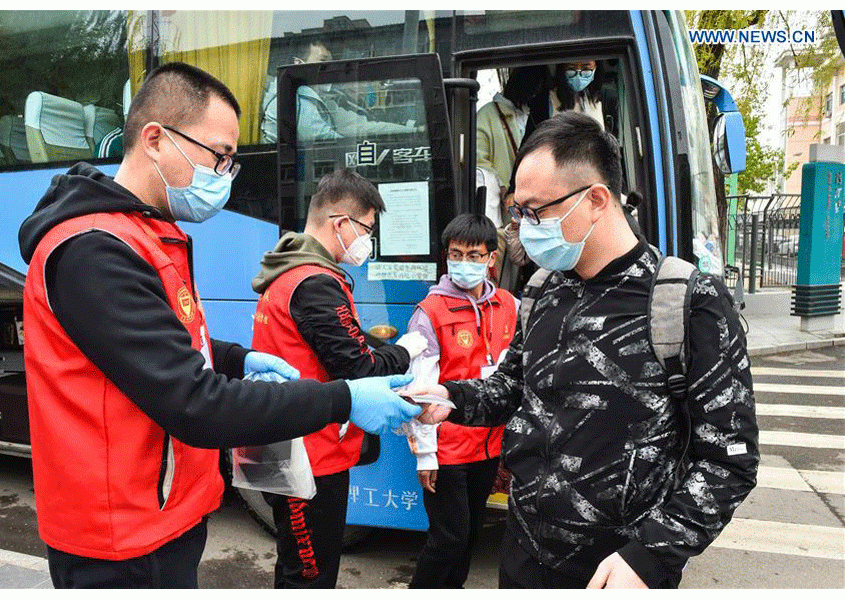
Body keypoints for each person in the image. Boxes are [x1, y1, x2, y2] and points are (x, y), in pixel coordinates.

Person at [17, 62, 420, 589]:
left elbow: (166, 344)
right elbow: (195, 403)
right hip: (119, 538)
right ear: (156, 140)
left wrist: (235, 358)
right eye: (220, 156)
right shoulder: (95, 250)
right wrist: (343, 399)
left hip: (162, 515)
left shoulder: (146, 234)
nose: (227, 174)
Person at [417, 112, 759, 589]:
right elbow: (514, 386)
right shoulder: (542, 289)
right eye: (518, 212)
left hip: (617, 572)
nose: (522, 227)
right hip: (523, 553)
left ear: (596, 199)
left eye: (535, 212)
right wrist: (452, 399)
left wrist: (652, 553)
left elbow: (729, 459)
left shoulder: (688, 301)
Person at [250, 167, 428, 588]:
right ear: (342, 223)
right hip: (306, 457)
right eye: (367, 228)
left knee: (298, 562)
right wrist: (406, 351)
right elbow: (359, 370)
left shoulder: (289, 270)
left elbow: (340, 346)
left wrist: (382, 347)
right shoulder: (314, 283)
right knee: (309, 573)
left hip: (288, 442)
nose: (368, 240)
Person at [404, 214, 518, 589]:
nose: (464, 263)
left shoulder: (508, 306)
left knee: (468, 538)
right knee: (447, 540)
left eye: (474, 255)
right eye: (456, 254)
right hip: (448, 449)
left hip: (488, 446)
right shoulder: (429, 313)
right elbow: (419, 390)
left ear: (491, 259)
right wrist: (425, 455)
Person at [476, 65, 547, 229]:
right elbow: (480, 164)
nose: (535, 95)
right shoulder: (488, 115)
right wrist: (504, 188)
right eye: (533, 89)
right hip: (504, 206)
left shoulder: (534, 114)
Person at [260, 38, 340, 143]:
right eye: (323, 61)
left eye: (331, 63)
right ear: (299, 63)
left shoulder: (292, 91)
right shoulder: (296, 98)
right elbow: (323, 137)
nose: (329, 69)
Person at [549, 60, 606, 130]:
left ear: (596, 66)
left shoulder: (597, 98)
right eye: (571, 69)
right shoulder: (552, 97)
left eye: (586, 69)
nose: (578, 76)